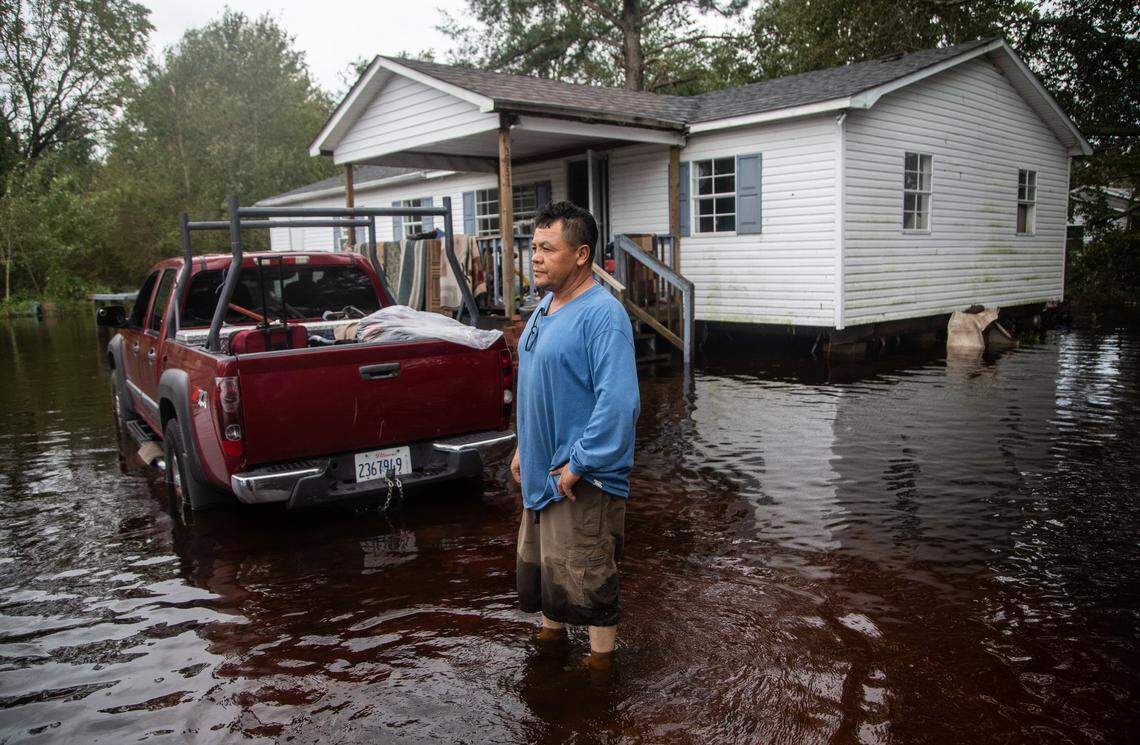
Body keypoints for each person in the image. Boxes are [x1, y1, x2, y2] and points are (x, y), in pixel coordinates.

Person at [510, 200, 640, 671]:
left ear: (581, 255)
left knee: (589, 585)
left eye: (548, 248)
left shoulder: (604, 315)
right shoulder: (545, 306)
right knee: (550, 580)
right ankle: (551, 656)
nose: (535, 257)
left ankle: (601, 676)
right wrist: (525, 444)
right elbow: (537, 386)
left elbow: (619, 401)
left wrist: (579, 464)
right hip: (543, 477)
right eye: (534, 246)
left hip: (579, 480)